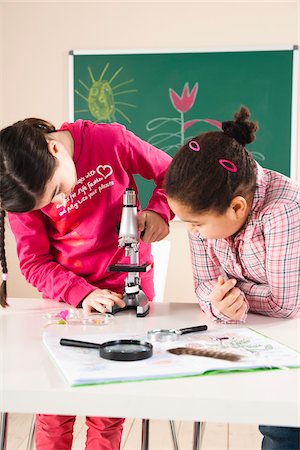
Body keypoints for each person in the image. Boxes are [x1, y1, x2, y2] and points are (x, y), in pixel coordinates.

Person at [0, 117, 173, 450]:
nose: (59, 204)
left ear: (54, 149)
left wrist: (161, 211)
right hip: (66, 302)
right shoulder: (23, 187)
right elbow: (35, 263)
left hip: (127, 293)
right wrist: (83, 293)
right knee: (53, 411)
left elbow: (171, 173)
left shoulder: (110, 141)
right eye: (47, 204)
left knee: (107, 412)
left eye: (56, 191)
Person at [164, 105, 300, 450]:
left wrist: (229, 296)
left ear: (237, 207)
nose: (192, 231)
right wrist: (220, 304)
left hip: (292, 338)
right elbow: (205, 286)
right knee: (275, 426)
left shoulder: (283, 209)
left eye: (196, 224)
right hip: (270, 341)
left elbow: (285, 304)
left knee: (284, 430)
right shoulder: (207, 210)